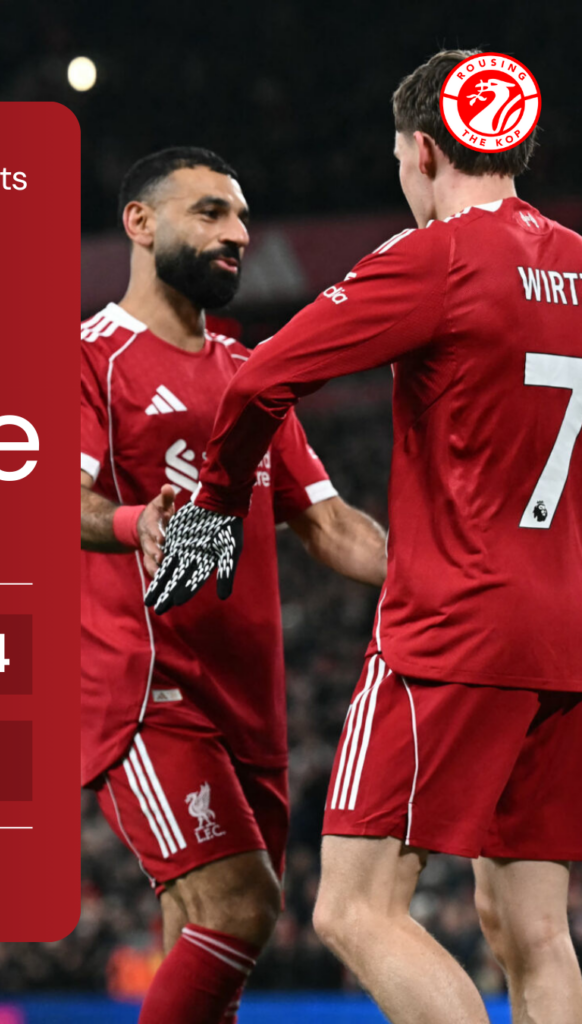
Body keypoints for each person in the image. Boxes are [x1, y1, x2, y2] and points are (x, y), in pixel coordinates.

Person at [146, 54, 582, 1024]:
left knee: (354, 905)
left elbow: (260, 381)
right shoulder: (579, 263)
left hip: (454, 624)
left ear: (422, 149)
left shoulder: (440, 256)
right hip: (565, 632)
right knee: (535, 935)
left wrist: (218, 501)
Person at [81, 146, 388, 1024]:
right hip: (148, 690)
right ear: (140, 223)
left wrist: (440, 576)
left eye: (242, 216)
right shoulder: (89, 358)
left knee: (203, 944)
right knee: (244, 912)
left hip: (251, 712)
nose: (238, 234)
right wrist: (141, 524)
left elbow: (329, 525)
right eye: (210, 212)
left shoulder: (247, 374)